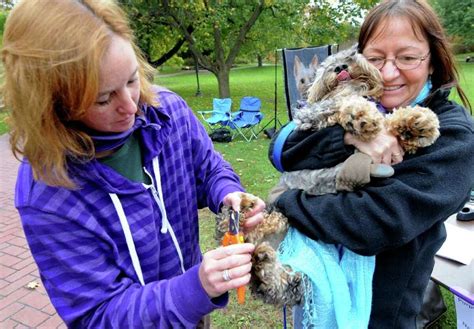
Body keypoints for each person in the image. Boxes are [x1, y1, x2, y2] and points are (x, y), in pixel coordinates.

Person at [2, 0, 265, 328]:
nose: (131, 106)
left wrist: (228, 193)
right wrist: (194, 287)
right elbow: (97, 314)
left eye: (131, 79)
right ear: (54, 102)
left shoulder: (169, 112)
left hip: (193, 314)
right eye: (103, 98)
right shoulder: (48, 192)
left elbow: (209, 168)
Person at [269, 0, 474, 328]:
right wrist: (349, 138)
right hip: (314, 295)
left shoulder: (450, 134)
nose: (388, 73)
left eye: (407, 58)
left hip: (379, 314)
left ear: (432, 61)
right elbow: (282, 148)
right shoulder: (353, 105)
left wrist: (285, 202)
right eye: (376, 58)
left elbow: (372, 222)